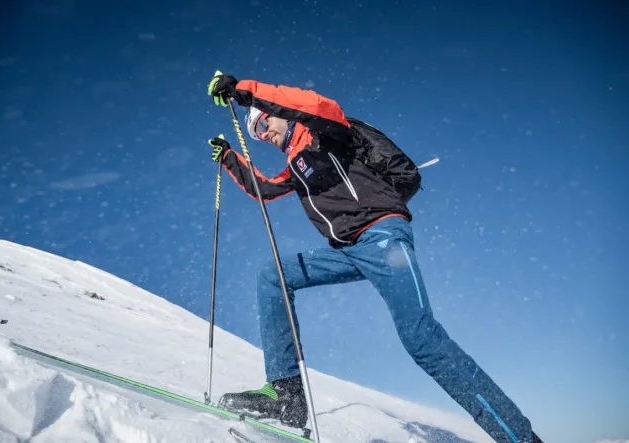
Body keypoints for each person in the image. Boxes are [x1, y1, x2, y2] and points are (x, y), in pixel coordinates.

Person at [206, 72, 543, 443]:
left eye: (263, 123)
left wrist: (244, 92)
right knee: (272, 276)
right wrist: (230, 158)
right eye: (255, 133)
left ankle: (519, 438)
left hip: (382, 237)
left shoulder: (330, 130)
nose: (262, 134)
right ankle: (286, 395)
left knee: (422, 340)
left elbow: (314, 105)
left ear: (277, 112)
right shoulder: (296, 166)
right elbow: (265, 190)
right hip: (347, 251)